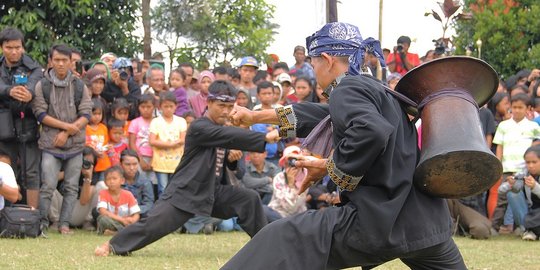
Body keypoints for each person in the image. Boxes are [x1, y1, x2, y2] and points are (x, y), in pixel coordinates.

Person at [225, 22, 466, 269]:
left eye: (314, 62)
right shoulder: (374, 88)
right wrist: (256, 117)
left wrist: (330, 166)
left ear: (327, 59)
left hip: (379, 220)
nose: (313, 69)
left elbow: (370, 130)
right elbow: (324, 115)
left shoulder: (347, 89)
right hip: (424, 222)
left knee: (278, 237)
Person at [94, 80, 278, 256]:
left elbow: (230, 162)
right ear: (209, 102)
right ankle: (113, 245)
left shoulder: (222, 129)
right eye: (221, 106)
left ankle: (267, 247)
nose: (226, 111)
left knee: (248, 199)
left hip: (212, 191)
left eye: (230, 107)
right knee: (153, 225)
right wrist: (265, 138)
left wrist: (231, 158)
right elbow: (228, 135)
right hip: (186, 191)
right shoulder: (200, 127)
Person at [32, 44, 93, 235]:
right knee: (48, 185)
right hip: (50, 144)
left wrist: (67, 133)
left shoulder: (80, 86)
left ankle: (64, 224)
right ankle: (42, 223)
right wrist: (67, 127)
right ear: (50, 61)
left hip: (74, 145)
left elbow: (86, 113)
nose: (60, 64)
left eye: (64, 60)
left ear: (70, 62)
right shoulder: (42, 85)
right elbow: (40, 114)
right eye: (56, 60)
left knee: (71, 187)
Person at [0, 27, 43, 209]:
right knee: (5, 170)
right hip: (3, 125)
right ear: (2, 47)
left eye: (17, 47)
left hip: (27, 123)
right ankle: (5, 216)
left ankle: (32, 216)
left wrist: (29, 93)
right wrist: (8, 90)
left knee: (31, 172)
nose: (14, 51)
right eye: (9, 47)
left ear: (23, 47)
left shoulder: (33, 66)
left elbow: (36, 82)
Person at [492, 93, 540, 234]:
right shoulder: (503, 125)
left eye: (521, 107)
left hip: (526, 170)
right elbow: (499, 147)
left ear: (528, 108)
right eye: (514, 107)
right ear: (510, 108)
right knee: (502, 199)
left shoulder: (533, 126)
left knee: (526, 198)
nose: (517, 110)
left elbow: (536, 148)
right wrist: (498, 165)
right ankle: (494, 227)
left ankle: (522, 226)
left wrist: (531, 166)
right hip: (507, 168)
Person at [49, 146, 107, 231]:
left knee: (101, 186)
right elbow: (51, 180)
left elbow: (84, 201)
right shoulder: (66, 168)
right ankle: (56, 221)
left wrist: (87, 178)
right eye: (83, 161)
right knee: (49, 187)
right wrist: (72, 170)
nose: (85, 164)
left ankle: (88, 221)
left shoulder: (93, 176)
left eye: (90, 162)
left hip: (81, 212)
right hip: (62, 209)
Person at [149, 91, 187, 197]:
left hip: (177, 162)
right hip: (160, 163)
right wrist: (170, 144)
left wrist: (163, 143)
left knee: (176, 189)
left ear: (176, 106)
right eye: (166, 106)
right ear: (160, 107)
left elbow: (183, 139)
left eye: (171, 106)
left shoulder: (181, 121)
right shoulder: (156, 122)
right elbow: (152, 141)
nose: (168, 109)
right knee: (163, 189)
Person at [96, 166, 140, 235]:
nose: (111, 181)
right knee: (102, 219)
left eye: (114, 178)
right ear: (105, 182)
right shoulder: (103, 193)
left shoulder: (128, 194)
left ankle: (116, 232)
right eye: (108, 179)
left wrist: (132, 220)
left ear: (122, 181)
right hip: (113, 221)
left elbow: (136, 214)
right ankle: (124, 232)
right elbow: (103, 211)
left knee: (138, 224)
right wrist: (122, 220)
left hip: (126, 223)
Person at [128, 94, 156, 186]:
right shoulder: (135, 122)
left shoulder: (158, 122)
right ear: (138, 107)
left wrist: (153, 159)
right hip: (139, 157)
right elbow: (132, 143)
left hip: (155, 157)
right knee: (140, 182)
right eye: (143, 107)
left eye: (149, 107)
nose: (146, 109)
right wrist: (140, 160)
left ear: (154, 107)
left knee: (154, 183)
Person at [119, 149, 154, 218]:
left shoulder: (145, 181)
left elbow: (149, 203)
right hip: (119, 212)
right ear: (121, 164)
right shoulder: (116, 179)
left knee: (151, 213)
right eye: (127, 164)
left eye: (135, 164)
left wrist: (134, 210)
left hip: (139, 212)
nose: (132, 168)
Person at [85, 98, 111, 181]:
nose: (97, 117)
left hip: (104, 163)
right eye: (94, 113)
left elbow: (105, 143)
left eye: (99, 114)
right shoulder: (85, 128)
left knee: (102, 185)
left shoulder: (103, 128)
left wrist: (108, 147)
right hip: (91, 163)